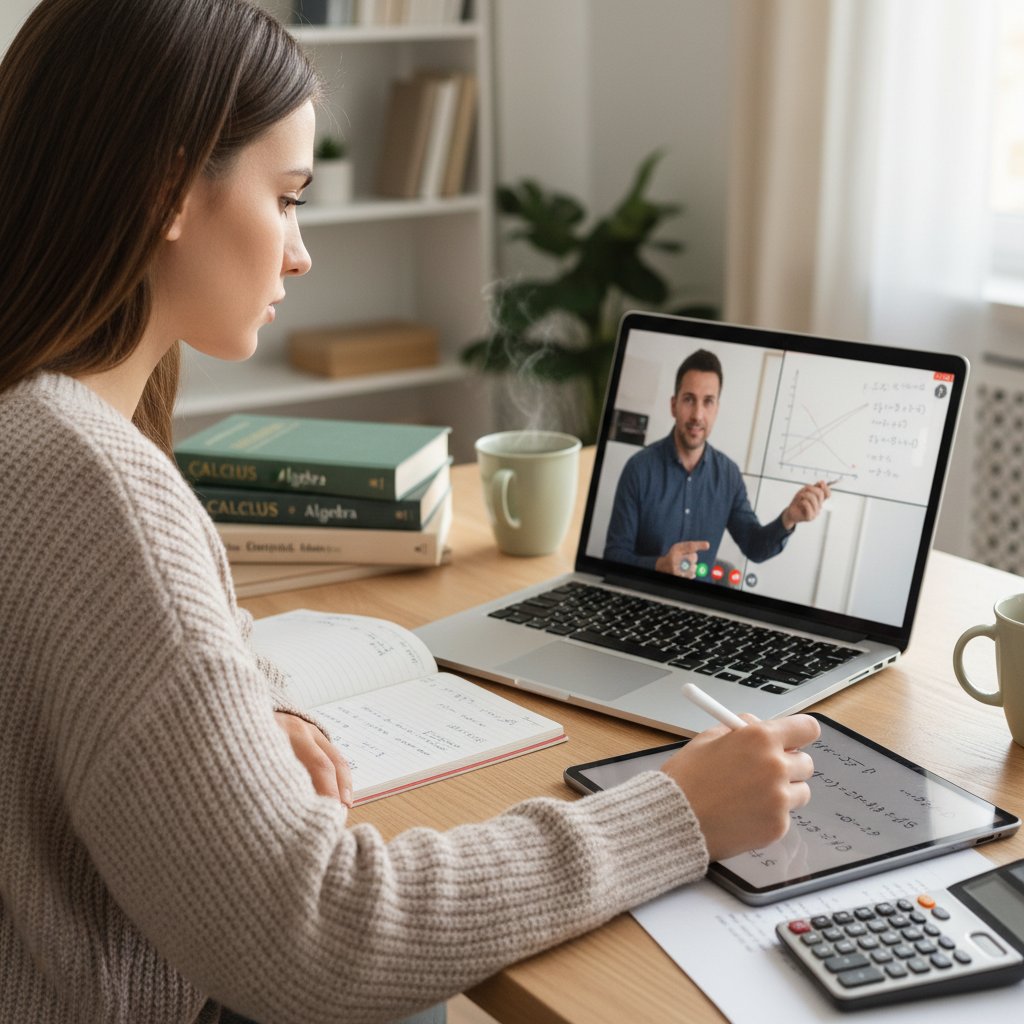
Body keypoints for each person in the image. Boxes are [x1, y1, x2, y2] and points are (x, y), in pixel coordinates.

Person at [0, 3, 821, 1023]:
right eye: (288, 198)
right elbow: (322, 937)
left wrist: (246, 711)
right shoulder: (99, 488)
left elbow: (118, 657)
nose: (300, 254)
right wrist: (677, 811)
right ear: (169, 189)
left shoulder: (32, 426)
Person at [604, 349, 832, 578]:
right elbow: (613, 556)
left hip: (699, 606)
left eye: (708, 402)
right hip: (642, 598)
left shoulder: (729, 476)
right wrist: (660, 566)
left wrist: (789, 518)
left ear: (717, 409)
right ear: (673, 405)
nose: (698, 414)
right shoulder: (638, 469)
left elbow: (754, 546)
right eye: (689, 400)